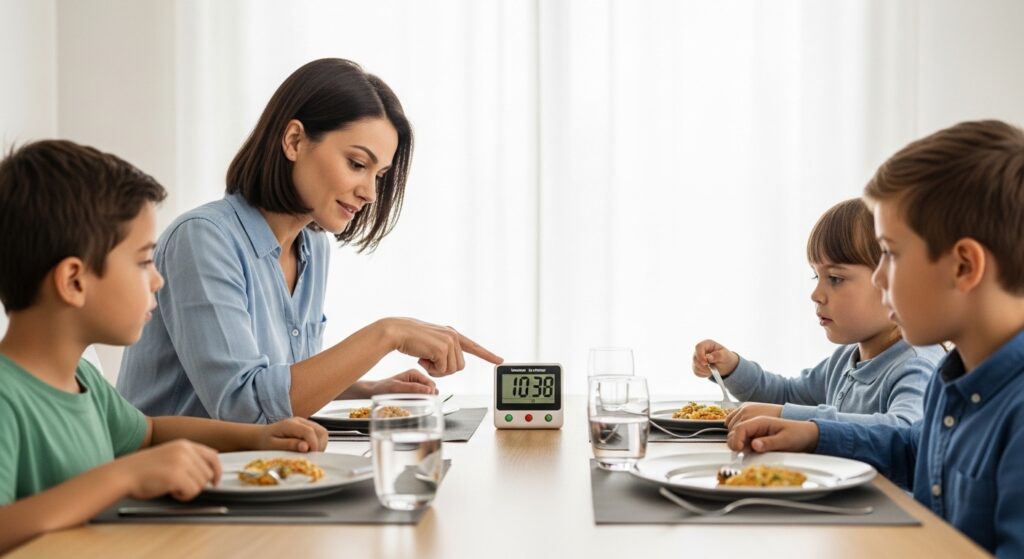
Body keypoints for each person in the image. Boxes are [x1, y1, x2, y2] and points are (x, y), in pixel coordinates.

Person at [117, 59, 503, 422]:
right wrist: (388, 333)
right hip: (170, 485)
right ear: (294, 140)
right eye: (356, 164)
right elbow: (245, 408)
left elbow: (277, 381)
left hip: (255, 477)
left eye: (380, 175)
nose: (369, 192)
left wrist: (367, 390)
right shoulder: (203, 240)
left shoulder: (312, 247)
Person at [0, 140, 328, 553]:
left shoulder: (83, 380)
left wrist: (256, 438)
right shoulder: (6, 396)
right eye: (142, 262)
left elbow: (151, 432)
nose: (157, 280)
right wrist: (122, 477)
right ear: (74, 281)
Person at [728, 120, 1024, 557]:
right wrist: (813, 434)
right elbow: (914, 446)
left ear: (963, 266)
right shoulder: (953, 376)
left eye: (890, 253)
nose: (881, 277)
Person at [692, 198, 943, 427]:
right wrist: (733, 369)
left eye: (835, 278)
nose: (816, 294)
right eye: (816, 275)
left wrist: (785, 417)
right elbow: (787, 396)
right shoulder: (844, 360)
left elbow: (904, 430)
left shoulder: (916, 364)